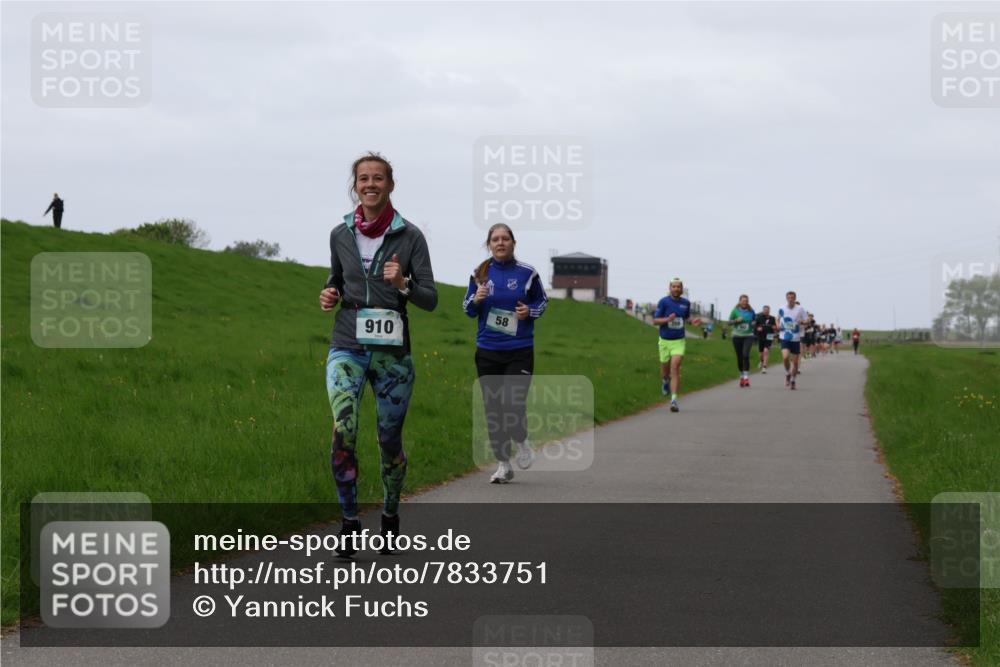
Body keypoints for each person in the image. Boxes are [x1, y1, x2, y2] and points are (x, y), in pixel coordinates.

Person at [318, 153, 437, 557]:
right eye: (363, 178)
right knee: (343, 431)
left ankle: (389, 516)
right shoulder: (340, 233)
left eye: (379, 178)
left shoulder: (411, 236)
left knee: (389, 441)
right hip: (347, 345)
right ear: (355, 185)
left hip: (392, 356)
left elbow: (431, 299)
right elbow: (337, 278)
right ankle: (349, 524)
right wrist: (329, 293)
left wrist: (404, 283)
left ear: (390, 184)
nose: (371, 184)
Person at [463, 223, 548, 484]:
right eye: (495, 239)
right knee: (493, 410)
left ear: (513, 242)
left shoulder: (527, 273)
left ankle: (522, 442)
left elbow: (542, 301)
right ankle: (503, 464)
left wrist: (529, 312)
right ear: (489, 244)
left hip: (519, 350)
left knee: (512, 403)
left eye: (505, 239)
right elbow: (467, 308)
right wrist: (476, 299)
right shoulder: (479, 273)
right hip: (488, 350)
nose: (500, 243)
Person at [653, 278, 702, 412]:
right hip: (664, 341)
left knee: (675, 367)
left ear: (682, 289)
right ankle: (664, 381)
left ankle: (674, 400)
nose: (676, 289)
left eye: (678, 287)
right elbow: (655, 321)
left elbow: (686, 318)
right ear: (670, 288)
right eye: (673, 286)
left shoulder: (685, 303)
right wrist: (667, 319)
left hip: (679, 341)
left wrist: (693, 321)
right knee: (665, 371)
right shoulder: (664, 302)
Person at [777, 291, 808, 390]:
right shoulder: (782, 308)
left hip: (795, 338)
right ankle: (787, 374)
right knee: (785, 357)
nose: (790, 299)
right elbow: (777, 318)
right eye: (789, 297)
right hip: (784, 337)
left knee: (795, 363)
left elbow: (807, 320)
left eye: (792, 297)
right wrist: (778, 325)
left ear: (795, 298)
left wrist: (802, 321)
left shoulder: (800, 309)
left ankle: (793, 380)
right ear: (786, 298)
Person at [728, 295, 756, 387]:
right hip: (737, 336)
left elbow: (754, 322)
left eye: (746, 301)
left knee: (745, 355)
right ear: (740, 301)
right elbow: (729, 322)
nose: (745, 302)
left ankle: (746, 378)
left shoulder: (751, 312)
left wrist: (753, 323)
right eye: (743, 301)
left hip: (748, 335)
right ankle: (741, 376)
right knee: (739, 357)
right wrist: (736, 320)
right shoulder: (735, 311)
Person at [753, 305, 777, 373]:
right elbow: (755, 325)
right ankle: (761, 361)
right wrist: (758, 328)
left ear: (769, 311)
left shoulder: (772, 318)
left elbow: (775, 326)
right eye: (765, 310)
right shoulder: (759, 317)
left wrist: (774, 327)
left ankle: (764, 366)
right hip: (761, 336)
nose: (766, 311)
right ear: (763, 311)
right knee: (761, 353)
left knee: (766, 351)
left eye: (767, 310)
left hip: (769, 335)